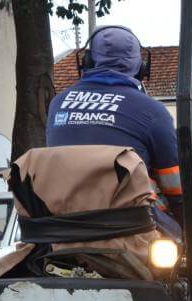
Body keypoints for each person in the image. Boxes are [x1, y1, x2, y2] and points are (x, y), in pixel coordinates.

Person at [46, 25, 182, 237]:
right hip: (132, 225)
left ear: (87, 61)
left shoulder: (57, 104)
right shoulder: (153, 111)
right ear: (141, 66)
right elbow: (175, 187)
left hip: (63, 222)